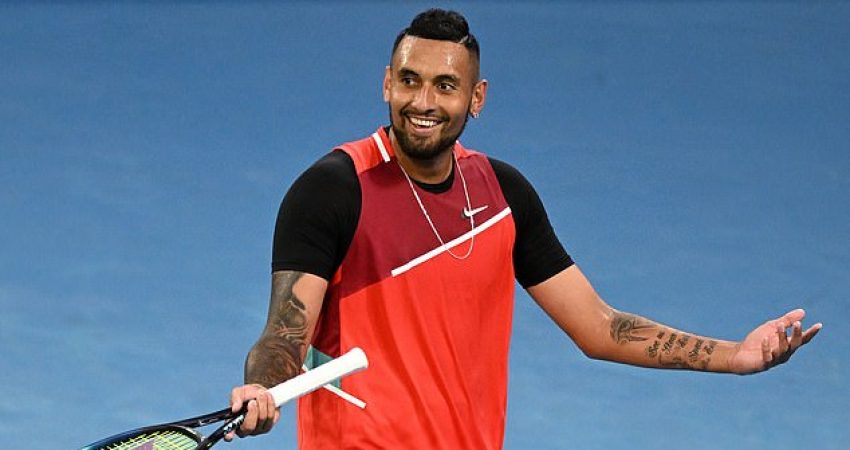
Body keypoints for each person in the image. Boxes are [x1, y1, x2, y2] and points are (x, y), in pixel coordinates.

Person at [227, 8, 822, 449]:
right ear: (387, 83)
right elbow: (284, 336)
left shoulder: (503, 195)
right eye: (409, 80)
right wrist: (263, 386)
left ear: (476, 98)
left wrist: (735, 356)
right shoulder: (333, 190)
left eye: (445, 86)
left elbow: (600, 327)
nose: (422, 102)